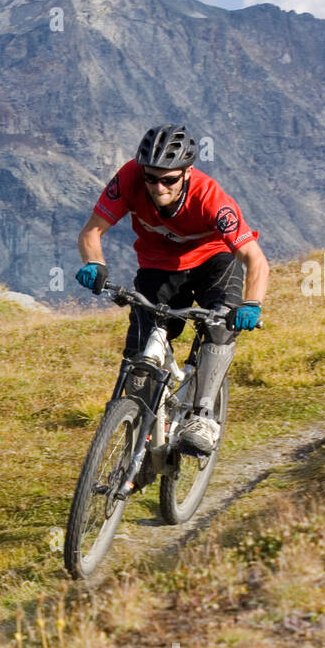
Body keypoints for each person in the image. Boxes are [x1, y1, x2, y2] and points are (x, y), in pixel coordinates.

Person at [74, 124, 269, 454]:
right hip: (159, 265)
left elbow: (254, 258)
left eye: (169, 179)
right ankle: (138, 426)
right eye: (151, 177)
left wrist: (252, 304)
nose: (159, 186)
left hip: (215, 262)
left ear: (187, 172)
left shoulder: (211, 199)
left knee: (220, 327)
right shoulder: (128, 179)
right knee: (139, 357)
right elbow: (90, 233)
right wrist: (94, 264)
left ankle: (204, 415)